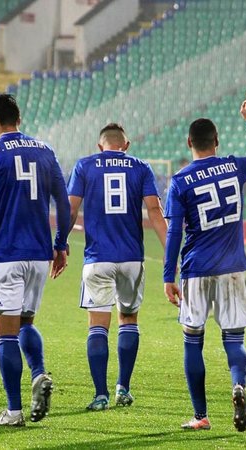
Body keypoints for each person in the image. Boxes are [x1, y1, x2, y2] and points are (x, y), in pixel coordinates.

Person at [164, 91, 246, 432]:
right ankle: (238, 385)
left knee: (192, 339)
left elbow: (174, 233)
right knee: (234, 340)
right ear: (217, 141)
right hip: (233, 267)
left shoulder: (180, 181)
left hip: (196, 269)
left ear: (189, 141)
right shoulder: (235, 166)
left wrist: (169, 275)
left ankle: (201, 415)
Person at [0, 94, 70, 427]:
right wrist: (61, 244)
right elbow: (63, 203)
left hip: (4, 252)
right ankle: (38, 373)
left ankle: (13, 411)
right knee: (26, 322)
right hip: (39, 255)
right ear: (18, 119)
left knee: (5, 333)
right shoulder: (45, 150)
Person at [67, 123, 168, 411]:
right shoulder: (141, 167)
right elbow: (154, 212)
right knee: (128, 319)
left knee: (98, 325)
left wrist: (60, 242)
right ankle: (123, 388)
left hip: (98, 258)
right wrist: (172, 253)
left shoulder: (85, 165)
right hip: (132, 258)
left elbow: (71, 208)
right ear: (126, 145)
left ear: (101, 146)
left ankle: (101, 395)